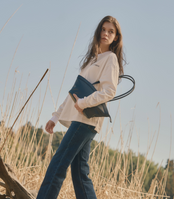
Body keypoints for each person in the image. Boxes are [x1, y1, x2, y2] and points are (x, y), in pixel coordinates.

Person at [36, 15, 125, 199]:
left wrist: (84, 103)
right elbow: (74, 93)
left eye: (111, 31)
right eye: (103, 29)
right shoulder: (93, 60)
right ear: (98, 31)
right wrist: (55, 116)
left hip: (86, 120)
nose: (106, 34)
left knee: (57, 166)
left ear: (116, 37)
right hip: (83, 120)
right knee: (80, 173)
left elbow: (109, 91)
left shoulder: (111, 59)